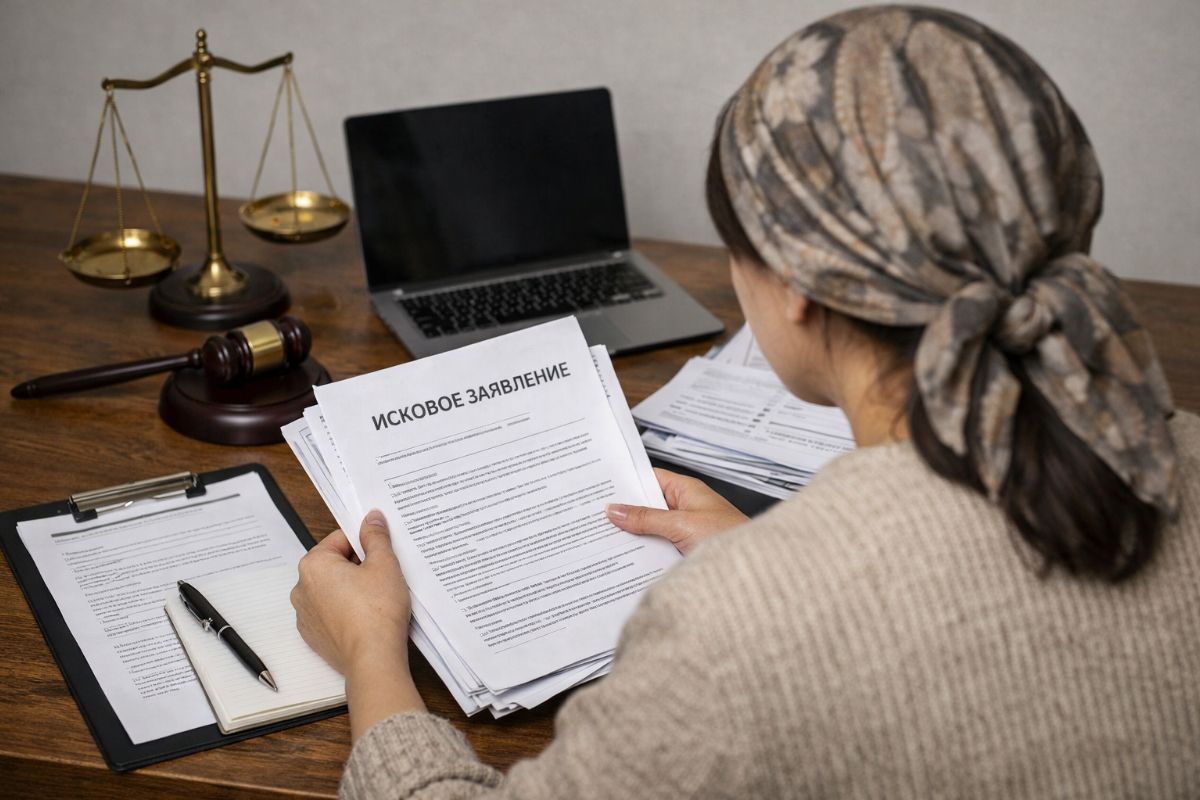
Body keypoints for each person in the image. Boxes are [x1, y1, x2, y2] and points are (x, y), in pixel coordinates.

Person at [291, 6, 1200, 797]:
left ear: (796, 283)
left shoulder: (737, 631)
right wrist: (767, 557)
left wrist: (371, 651)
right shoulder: (1181, 453)